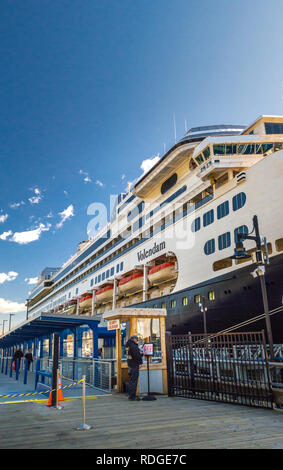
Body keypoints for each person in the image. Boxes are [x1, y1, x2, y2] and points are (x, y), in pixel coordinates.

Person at [125, 335, 143, 401]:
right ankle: (133, 396)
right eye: (137, 339)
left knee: (131, 380)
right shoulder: (133, 346)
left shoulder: (127, 345)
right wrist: (140, 361)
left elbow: (129, 354)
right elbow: (136, 355)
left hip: (130, 364)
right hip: (134, 365)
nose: (137, 341)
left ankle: (130, 395)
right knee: (134, 381)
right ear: (134, 339)